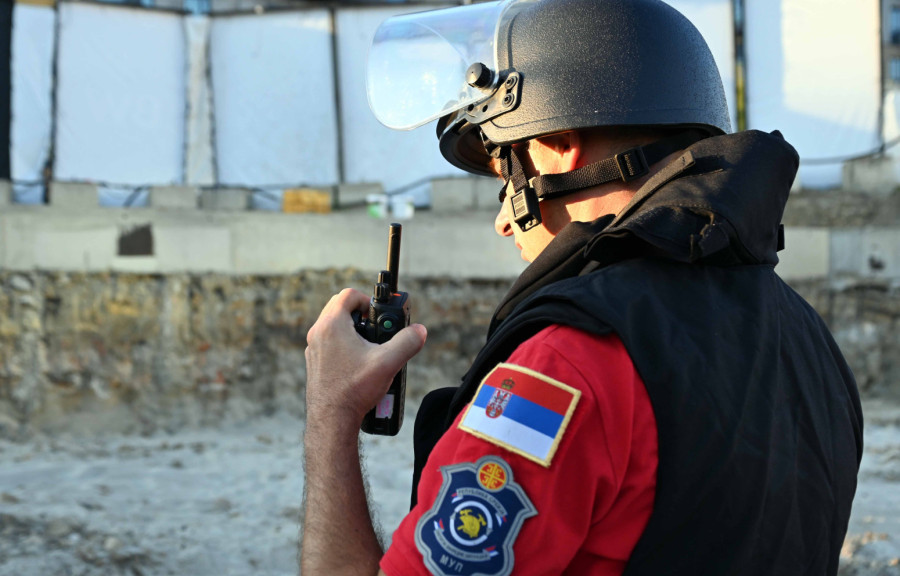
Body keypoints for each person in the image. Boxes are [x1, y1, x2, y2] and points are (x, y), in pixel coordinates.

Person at [301, 0, 863, 574]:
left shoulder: (564, 366)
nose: (502, 220)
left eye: (506, 180)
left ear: (559, 141)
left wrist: (331, 412)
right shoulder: (807, 340)